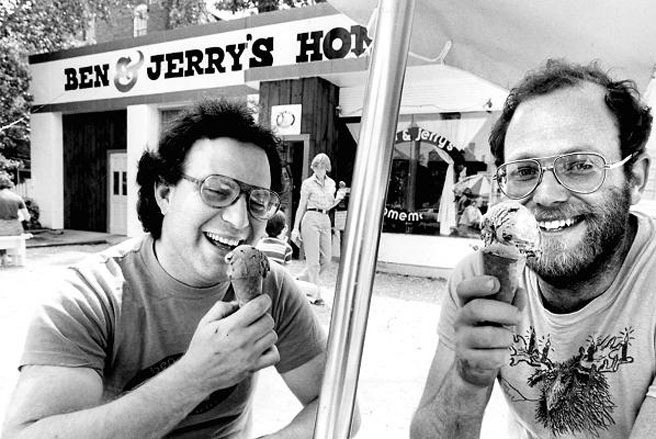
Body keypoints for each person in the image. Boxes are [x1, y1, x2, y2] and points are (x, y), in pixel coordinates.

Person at [3, 99, 359, 438]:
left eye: (258, 201)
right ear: (164, 193)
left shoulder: (271, 288)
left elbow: (341, 409)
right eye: (216, 190)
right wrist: (197, 376)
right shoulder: (90, 297)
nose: (239, 220)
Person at [411, 59, 656, 439]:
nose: (546, 195)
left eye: (580, 165)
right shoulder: (481, 280)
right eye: (525, 171)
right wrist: (467, 378)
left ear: (635, 178)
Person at [291, 153, 344, 306]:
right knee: (313, 262)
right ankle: (316, 295)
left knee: (326, 260)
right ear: (313, 167)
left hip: (325, 218)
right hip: (310, 218)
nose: (319, 170)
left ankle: (301, 280)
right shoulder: (307, 183)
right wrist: (295, 228)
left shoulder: (331, 183)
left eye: (322, 167)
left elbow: (329, 205)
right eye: (316, 167)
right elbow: (301, 205)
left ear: (327, 168)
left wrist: (338, 198)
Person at [0, 173, 30, 266]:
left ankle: (3, 257)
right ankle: (7, 257)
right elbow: (27, 217)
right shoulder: (18, 198)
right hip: (15, 230)